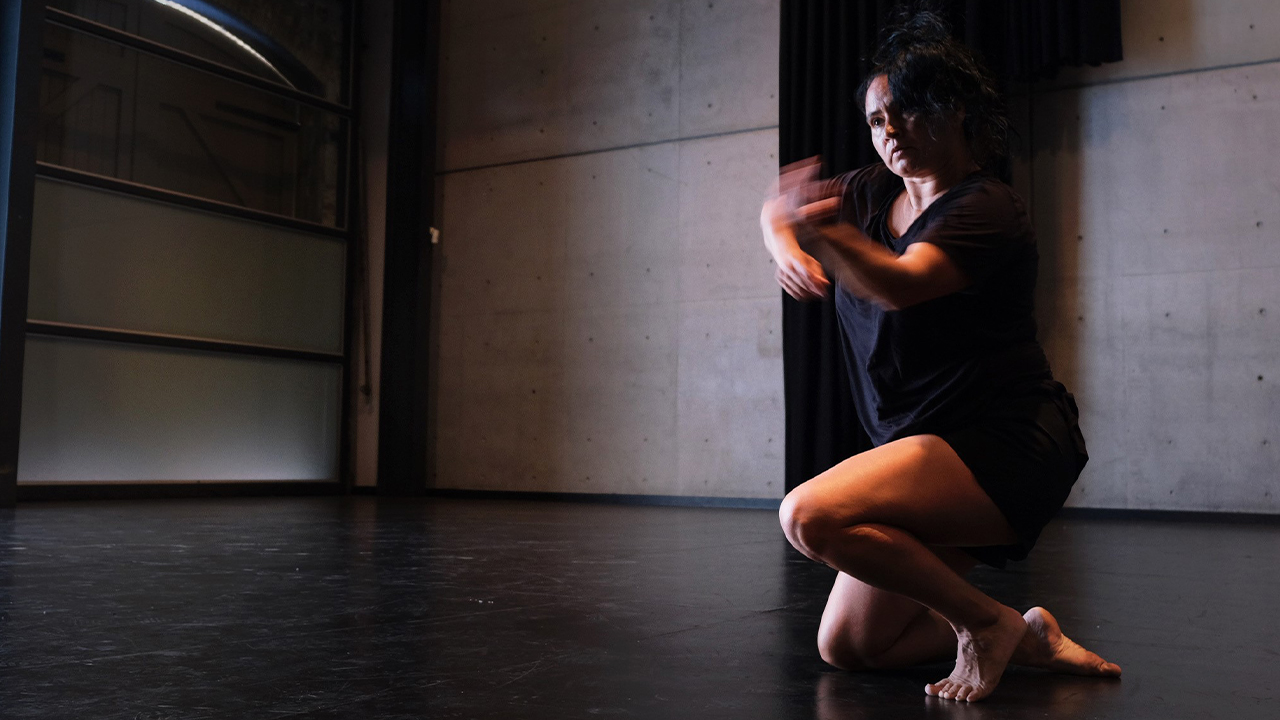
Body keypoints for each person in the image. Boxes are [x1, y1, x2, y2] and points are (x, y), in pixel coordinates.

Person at [759, 14, 1122, 703]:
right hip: (926, 447)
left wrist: (824, 232)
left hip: (1005, 443)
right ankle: (1027, 633)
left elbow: (901, 284)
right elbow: (779, 206)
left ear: (951, 111)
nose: (887, 132)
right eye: (874, 120)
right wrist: (789, 245)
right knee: (853, 645)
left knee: (809, 515)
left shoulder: (987, 209)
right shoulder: (869, 192)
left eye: (903, 114)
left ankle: (982, 623)